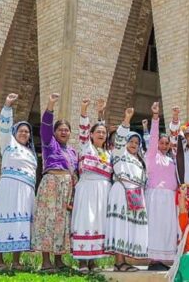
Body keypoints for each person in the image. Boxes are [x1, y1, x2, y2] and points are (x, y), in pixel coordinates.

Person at [33, 93, 78, 272]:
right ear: (55, 132)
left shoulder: (73, 151)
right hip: (51, 185)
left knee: (62, 222)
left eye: (67, 130)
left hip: (66, 188)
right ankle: (45, 261)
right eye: (60, 129)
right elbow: (45, 127)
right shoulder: (49, 143)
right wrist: (50, 106)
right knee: (48, 220)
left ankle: (59, 259)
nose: (64, 132)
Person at [0, 93, 37, 270]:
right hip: (9, 187)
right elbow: (4, 127)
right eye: (21, 131)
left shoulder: (30, 152)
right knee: (4, 218)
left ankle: (16, 261)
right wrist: (7, 107)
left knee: (20, 222)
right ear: (15, 133)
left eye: (27, 132)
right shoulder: (8, 144)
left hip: (26, 190)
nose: (24, 134)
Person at [71, 98, 112, 272]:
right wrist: (84, 110)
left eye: (104, 133)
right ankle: (82, 261)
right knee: (85, 221)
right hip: (87, 188)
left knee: (99, 223)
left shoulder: (108, 152)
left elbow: (102, 125)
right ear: (91, 135)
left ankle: (94, 260)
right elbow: (84, 128)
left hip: (103, 191)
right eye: (98, 133)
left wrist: (102, 112)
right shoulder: (86, 146)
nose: (101, 135)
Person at [105, 107, 149, 272]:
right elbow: (120, 137)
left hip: (136, 195)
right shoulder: (119, 154)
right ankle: (119, 261)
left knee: (130, 226)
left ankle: (125, 261)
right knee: (120, 225)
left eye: (137, 143)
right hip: (121, 192)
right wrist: (127, 119)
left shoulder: (139, 161)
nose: (134, 145)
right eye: (131, 141)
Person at [145, 102, 180, 270]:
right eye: (162, 142)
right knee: (156, 227)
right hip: (156, 195)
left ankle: (162, 259)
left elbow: (176, 141)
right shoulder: (152, 156)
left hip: (169, 197)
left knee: (167, 228)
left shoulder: (171, 158)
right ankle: (153, 260)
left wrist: (175, 119)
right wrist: (155, 118)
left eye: (167, 143)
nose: (164, 145)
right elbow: (152, 138)